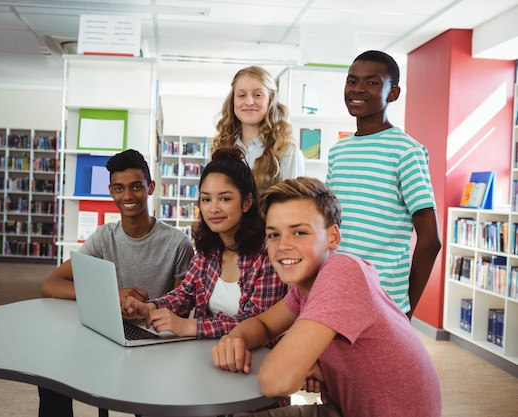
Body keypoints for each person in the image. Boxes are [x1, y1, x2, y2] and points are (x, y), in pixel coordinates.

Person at [211, 177, 442, 417]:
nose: (282, 246)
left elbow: (276, 381)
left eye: (299, 232)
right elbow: (264, 324)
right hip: (347, 408)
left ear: (333, 237)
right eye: (273, 235)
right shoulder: (306, 287)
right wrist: (234, 339)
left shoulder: (342, 272)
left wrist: (304, 366)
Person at [39, 149, 194, 417]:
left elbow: (182, 306)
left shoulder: (177, 243)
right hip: (107, 333)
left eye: (136, 187)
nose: (128, 196)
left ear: (150, 187)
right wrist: (113, 296)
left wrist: (145, 309)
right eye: (119, 188)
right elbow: (51, 284)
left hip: (152, 341)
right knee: (50, 376)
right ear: (111, 191)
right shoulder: (103, 237)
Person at [122, 147, 287, 340]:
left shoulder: (269, 253)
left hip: (253, 357)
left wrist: (190, 326)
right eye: (206, 199)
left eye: (225, 198)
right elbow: (185, 294)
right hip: (207, 355)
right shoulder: (208, 250)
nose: (213, 208)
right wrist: (149, 308)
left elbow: (256, 322)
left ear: (247, 202)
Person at [325, 50, 441, 317]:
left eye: (372, 82)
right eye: (352, 81)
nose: (358, 89)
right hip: (336, 289)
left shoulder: (406, 151)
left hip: (383, 300)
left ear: (393, 93)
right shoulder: (337, 152)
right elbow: (329, 225)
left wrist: (406, 309)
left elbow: (430, 240)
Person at [211, 65, 305, 193]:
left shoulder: (287, 152)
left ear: (271, 100)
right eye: (242, 95)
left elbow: (293, 207)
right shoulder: (221, 148)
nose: (249, 102)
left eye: (258, 95)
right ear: (233, 101)